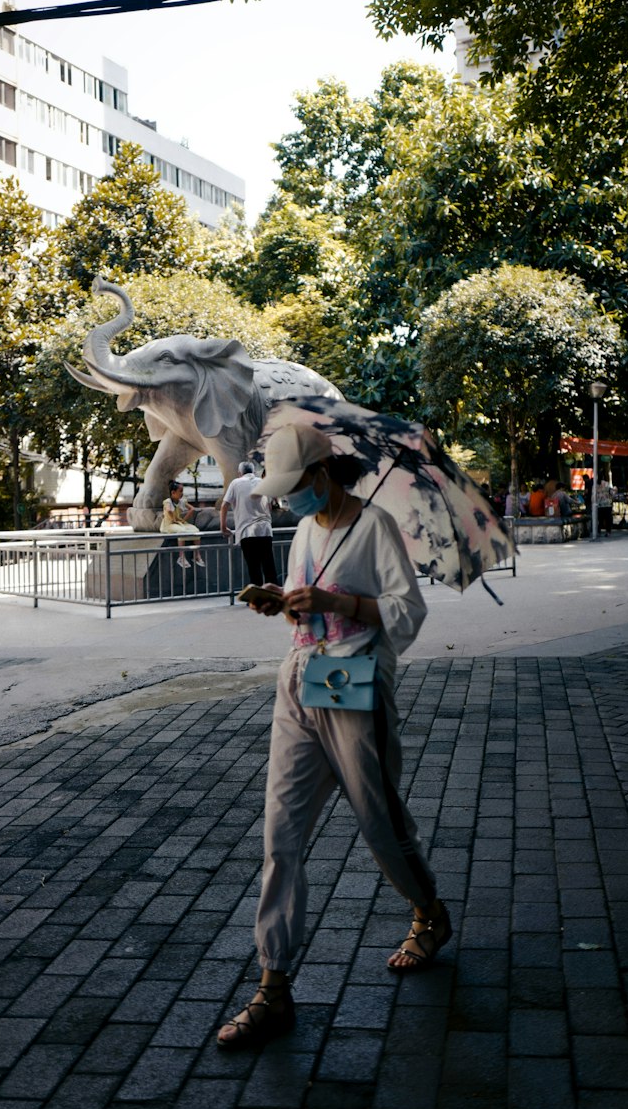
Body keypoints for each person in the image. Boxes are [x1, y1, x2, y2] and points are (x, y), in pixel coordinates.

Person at [216, 425, 451, 1050]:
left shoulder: (373, 528)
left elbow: (407, 612)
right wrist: (282, 601)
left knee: (377, 821)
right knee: (280, 835)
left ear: (321, 477)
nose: (287, 502)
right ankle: (273, 987)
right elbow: (307, 603)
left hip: (351, 678)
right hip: (298, 678)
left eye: (295, 489)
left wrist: (339, 604)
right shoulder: (305, 532)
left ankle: (428, 910)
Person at [221, 461, 279, 588]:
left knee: (254, 567)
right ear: (253, 471)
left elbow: (224, 505)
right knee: (269, 566)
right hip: (265, 530)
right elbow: (270, 505)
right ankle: (274, 595)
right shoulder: (262, 482)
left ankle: (258, 598)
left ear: (239, 473)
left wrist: (223, 528)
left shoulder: (235, 483)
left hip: (247, 532)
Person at [160, 480, 205, 569]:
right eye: (180, 491)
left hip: (179, 523)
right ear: (173, 492)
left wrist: (183, 520)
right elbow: (168, 510)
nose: (182, 493)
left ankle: (197, 555)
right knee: (182, 531)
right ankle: (181, 557)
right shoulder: (168, 501)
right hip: (168, 525)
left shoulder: (181, 501)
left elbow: (192, 509)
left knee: (196, 530)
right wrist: (173, 519)